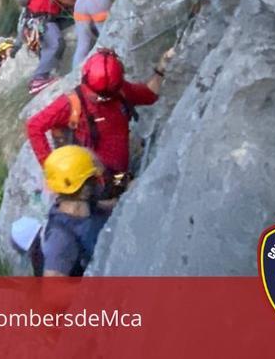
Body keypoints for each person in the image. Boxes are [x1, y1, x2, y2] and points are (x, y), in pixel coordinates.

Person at [26, 47, 173, 181]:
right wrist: (54, 170)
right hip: (97, 185)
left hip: (114, 179)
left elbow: (148, 95)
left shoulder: (115, 93)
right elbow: (34, 126)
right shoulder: (79, 103)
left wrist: (162, 68)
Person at [17, 0, 86, 95]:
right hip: (40, 19)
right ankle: (38, 79)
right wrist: (78, 2)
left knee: (75, 22)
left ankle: (47, 72)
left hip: (45, 17)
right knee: (56, 43)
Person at [39, 145, 110, 276]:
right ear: (84, 188)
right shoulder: (61, 239)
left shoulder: (87, 205)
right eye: (93, 178)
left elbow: (110, 207)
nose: (98, 181)